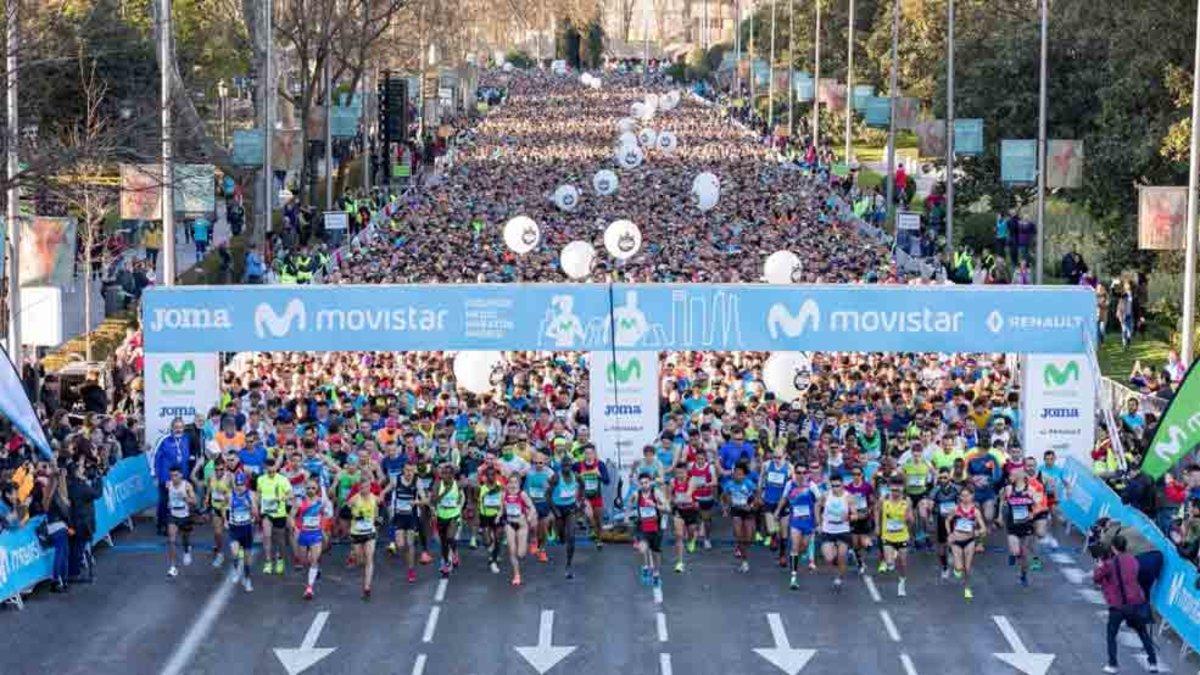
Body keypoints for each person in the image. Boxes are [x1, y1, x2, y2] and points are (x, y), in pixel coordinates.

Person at [1094, 534, 1159, 673]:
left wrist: (1099, 566)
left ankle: (1113, 664)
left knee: (1111, 635)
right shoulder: (1133, 560)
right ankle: (1153, 662)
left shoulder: (1109, 564)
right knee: (1142, 633)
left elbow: (1097, 578)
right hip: (1135, 603)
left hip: (1118, 606)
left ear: (1113, 547)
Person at [382, 461, 424, 584]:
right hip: (399, 516)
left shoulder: (417, 481)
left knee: (410, 544)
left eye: (411, 470)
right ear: (403, 470)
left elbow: (425, 499)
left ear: (414, 471)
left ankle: (411, 570)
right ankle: (409, 557)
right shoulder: (396, 480)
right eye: (406, 470)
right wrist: (381, 496)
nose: (409, 473)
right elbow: (385, 491)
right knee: (401, 545)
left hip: (411, 516)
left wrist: (417, 503)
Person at [777, 464, 817, 590]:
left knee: (803, 547)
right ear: (795, 473)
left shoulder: (811, 485)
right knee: (795, 546)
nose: (801, 475)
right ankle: (793, 577)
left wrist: (819, 520)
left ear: (807, 473)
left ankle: (794, 558)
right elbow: (784, 498)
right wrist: (778, 511)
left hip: (808, 521)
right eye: (798, 472)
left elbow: (819, 501)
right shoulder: (790, 484)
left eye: (803, 472)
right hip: (795, 521)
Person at [947, 486, 987, 600]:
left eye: (967, 495)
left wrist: (978, 534)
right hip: (957, 541)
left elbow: (983, 528)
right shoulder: (956, 509)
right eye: (963, 496)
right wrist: (950, 534)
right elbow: (947, 520)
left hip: (969, 541)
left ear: (972, 496)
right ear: (960, 497)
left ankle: (967, 588)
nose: (965, 498)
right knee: (959, 568)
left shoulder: (975, 511)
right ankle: (956, 567)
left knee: (968, 568)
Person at [817, 473, 855, 592]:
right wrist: (819, 523)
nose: (835, 488)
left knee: (841, 556)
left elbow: (855, 514)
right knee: (829, 558)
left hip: (843, 530)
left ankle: (839, 577)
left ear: (842, 484)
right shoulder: (826, 495)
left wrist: (849, 516)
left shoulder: (848, 497)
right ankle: (838, 563)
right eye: (833, 486)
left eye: (838, 486)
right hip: (828, 530)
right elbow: (817, 506)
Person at [293, 478, 329, 600]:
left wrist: (323, 530)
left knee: (313, 559)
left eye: (313, 488)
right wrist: (295, 528)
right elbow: (290, 517)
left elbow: (325, 516)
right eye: (308, 488)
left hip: (316, 535)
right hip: (303, 534)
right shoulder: (299, 503)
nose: (311, 490)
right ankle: (314, 570)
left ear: (317, 489)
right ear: (305, 489)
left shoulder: (321, 502)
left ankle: (309, 588)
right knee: (304, 561)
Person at [257, 459, 293, 577]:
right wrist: (257, 507)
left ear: (276, 468)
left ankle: (280, 558)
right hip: (266, 512)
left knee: (280, 539)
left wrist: (282, 498)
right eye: (269, 470)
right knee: (267, 535)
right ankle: (268, 561)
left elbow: (290, 494)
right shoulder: (261, 479)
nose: (271, 472)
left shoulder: (282, 479)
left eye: (273, 470)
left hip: (279, 513)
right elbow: (259, 494)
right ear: (265, 468)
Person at [1002, 468, 1038, 587]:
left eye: (1012, 474)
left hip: (1026, 525)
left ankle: (1023, 575)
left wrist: (1032, 513)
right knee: (1016, 551)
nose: (1010, 476)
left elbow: (1037, 505)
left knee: (1024, 555)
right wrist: (1000, 516)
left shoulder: (1030, 490)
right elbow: (1003, 502)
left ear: (1020, 476)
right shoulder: (1008, 489)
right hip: (1012, 524)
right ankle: (1013, 553)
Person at [347, 473, 380, 599]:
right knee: (360, 560)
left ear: (370, 487)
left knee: (369, 558)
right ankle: (354, 556)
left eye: (367, 487)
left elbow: (378, 514)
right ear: (359, 488)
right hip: (356, 533)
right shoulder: (354, 499)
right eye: (362, 488)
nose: (364, 490)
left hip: (370, 533)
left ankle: (367, 587)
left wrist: (377, 527)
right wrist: (356, 516)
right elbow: (346, 512)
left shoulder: (374, 498)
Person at [878, 477, 913, 597]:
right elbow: (877, 512)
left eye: (897, 490)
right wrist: (877, 526)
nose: (895, 493)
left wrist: (909, 518)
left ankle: (902, 582)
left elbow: (911, 520)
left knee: (903, 564)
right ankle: (892, 556)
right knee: (890, 564)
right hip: (888, 535)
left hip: (902, 536)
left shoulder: (907, 501)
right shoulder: (884, 499)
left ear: (902, 489)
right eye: (893, 490)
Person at [722, 462, 758, 573]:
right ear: (733, 474)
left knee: (748, 537)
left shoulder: (749, 484)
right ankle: (744, 561)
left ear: (744, 475)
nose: (738, 476)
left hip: (748, 511)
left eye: (741, 474)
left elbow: (758, 497)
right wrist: (725, 508)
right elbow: (724, 496)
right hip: (736, 511)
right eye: (736, 474)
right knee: (739, 535)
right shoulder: (728, 484)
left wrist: (751, 506)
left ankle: (742, 546)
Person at [632, 473, 667, 586]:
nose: (644, 485)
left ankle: (656, 573)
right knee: (642, 548)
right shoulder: (637, 494)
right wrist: (629, 515)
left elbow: (667, 508)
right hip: (642, 527)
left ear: (650, 482)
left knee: (656, 553)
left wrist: (655, 505)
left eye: (646, 483)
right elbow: (630, 504)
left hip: (655, 527)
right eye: (641, 483)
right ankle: (645, 567)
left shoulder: (656, 493)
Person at [502, 473, 535, 586]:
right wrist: (498, 517)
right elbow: (501, 509)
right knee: (512, 550)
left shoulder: (523, 494)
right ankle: (516, 574)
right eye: (510, 482)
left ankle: (528, 543)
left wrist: (529, 517)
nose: (512, 485)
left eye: (515, 482)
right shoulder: (504, 494)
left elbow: (532, 508)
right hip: (509, 524)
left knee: (521, 554)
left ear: (519, 483)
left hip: (522, 525)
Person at [550, 461, 582, 578]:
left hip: (570, 509)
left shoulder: (576, 476)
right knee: (562, 536)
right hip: (558, 509)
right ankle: (561, 536)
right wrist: (555, 511)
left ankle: (569, 563)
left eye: (568, 466)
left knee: (571, 536)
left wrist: (580, 500)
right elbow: (547, 495)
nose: (566, 468)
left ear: (571, 467)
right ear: (561, 467)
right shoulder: (556, 477)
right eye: (564, 466)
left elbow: (582, 486)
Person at [226, 471, 257, 592]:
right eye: (238, 484)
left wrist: (249, 505)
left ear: (246, 484)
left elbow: (256, 513)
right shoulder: (230, 495)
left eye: (242, 484)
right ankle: (236, 570)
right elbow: (226, 509)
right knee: (235, 553)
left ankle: (247, 579)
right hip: (235, 528)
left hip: (247, 528)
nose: (240, 487)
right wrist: (226, 520)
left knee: (247, 558)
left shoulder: (251, 495)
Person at [164, 465, 196, 578]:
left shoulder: (187, 486)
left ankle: (186, 550)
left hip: (185, 516)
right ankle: (173, 567)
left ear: (181, 475)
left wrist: (185, 498)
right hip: (173, 516)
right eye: (172, 475)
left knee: (185, 538)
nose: (174, 478)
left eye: (176, 475)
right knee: (171, 540)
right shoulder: (168, 485)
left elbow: (194, 501)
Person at [432, 463, 463, 577]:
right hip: (441, 516)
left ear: (452, 475)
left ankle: (454, 553)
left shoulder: (457, 484)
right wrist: (445, 492)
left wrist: (460, 502)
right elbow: (433, 501)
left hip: (453, 515)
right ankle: (446, 561)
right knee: (444, 543)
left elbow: (461, 496)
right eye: (443, 473)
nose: (445, 475)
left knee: (450, 537)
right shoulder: (437, 484)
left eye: (448, 473)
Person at [668, 463, 699, 573]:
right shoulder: (673, 482)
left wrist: (682, 498)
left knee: (691, 531)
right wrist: (671, 500)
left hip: (691, 510)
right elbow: (670, 495)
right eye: (677, 473)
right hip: (679, 511)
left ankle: (692, 540)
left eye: (682, 473)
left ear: (687, 473)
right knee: (679, 535)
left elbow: (688, 494)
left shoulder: (692, 481)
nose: (679, 475)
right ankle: (680, 562)